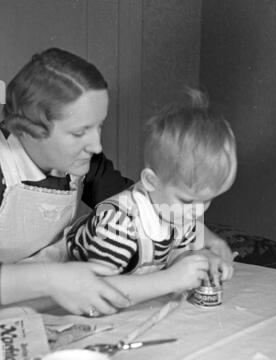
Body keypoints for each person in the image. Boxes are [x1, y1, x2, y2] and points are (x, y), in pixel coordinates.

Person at [0, 48, 232, 316]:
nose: (97, 146)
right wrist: (51, 279)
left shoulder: (81, 162)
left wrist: (206, 241)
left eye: (99, 126)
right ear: (27, 129)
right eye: (79, 132)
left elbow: (143, 202)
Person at [66, 88, 237, 307]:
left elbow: (176, 252)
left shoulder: (177, 212)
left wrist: (199, 262)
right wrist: (170, 280)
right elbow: (96, 292)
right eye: (187, 200)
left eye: (206, 201)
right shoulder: (119, 225)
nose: (197, 212)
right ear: (150, 181)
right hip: (67, 281)